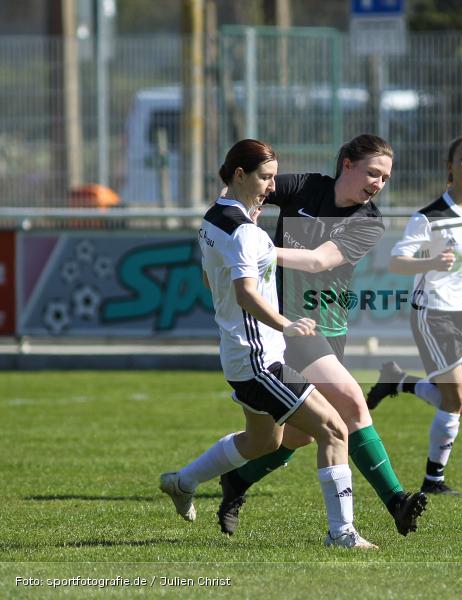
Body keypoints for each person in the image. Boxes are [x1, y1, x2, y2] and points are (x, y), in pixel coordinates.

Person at [159, 139, 376, 548]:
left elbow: (211, 282)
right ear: (240, 175)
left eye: (274, 177)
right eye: (265, 177)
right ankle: (342, 533)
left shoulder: (212, 220)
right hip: (260, 358)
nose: (271, 187)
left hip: (238, 354)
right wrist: (285, 323)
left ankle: (182, 482)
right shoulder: (245, 233)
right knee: (333, 428)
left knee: (264, 441)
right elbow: (244, 293)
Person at [215, 134, 427, 537]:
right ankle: (397, 501)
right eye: (372, 173)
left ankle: (236, 481)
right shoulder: (306, 187)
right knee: (351, 405)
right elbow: (247, 184)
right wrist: (236, 217)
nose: (378, 184)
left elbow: (317, 261)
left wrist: (256, 246)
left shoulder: (369, 221)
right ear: (347, 164)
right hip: (290, 326)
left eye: (385, 178)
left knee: (297, 436)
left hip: (331, 329)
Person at [367, 116, 462, 496]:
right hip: (432, 313)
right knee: (455, 397)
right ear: (450, 167)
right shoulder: (430, 217)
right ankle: (433, 481)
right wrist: (430, 262)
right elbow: (397, 262)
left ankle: (397, 381)